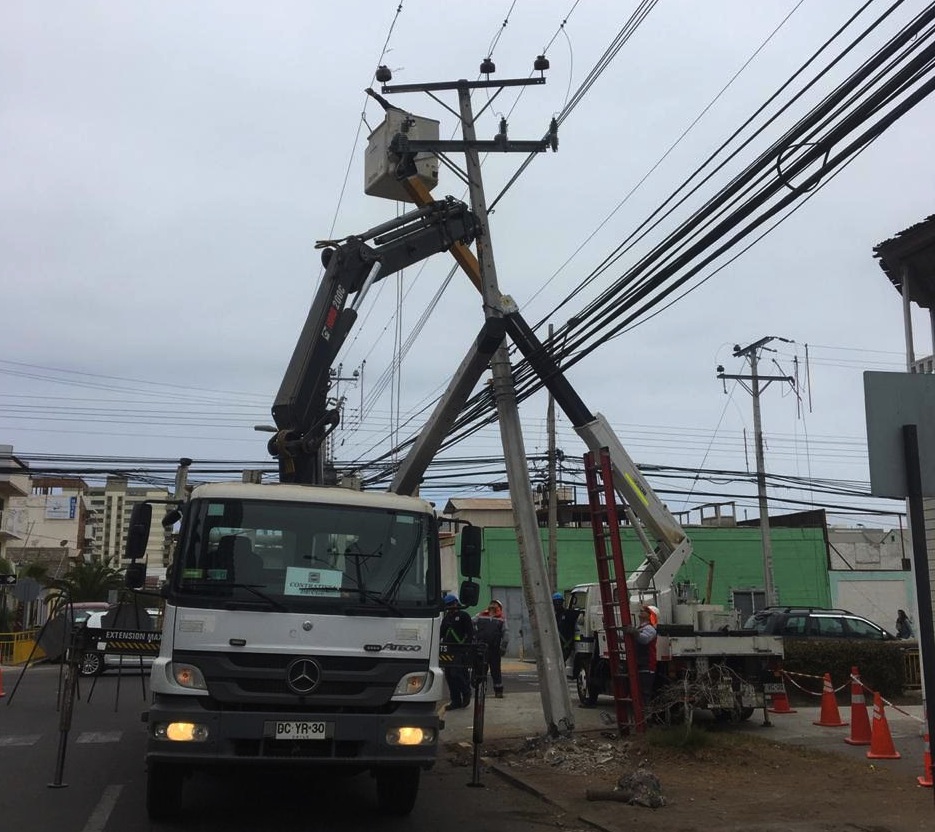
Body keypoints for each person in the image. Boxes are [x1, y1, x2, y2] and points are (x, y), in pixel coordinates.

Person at [441, 592, 474, 709]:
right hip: (448, 650)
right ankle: (455, 700)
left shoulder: (464, 616)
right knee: (449, 675)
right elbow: (441, 633)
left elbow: (470, 633)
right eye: (447, 605)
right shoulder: (446, 619)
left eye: (451, 604)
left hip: (460, 650)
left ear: (456, 603)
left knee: (457, 673)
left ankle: (466, 692)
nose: (450, 607)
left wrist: (467, 648)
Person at [473, 599, 509, 698]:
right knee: (480, 669)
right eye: (492, 603)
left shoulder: (501, 619)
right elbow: (470, 622)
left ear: (499, 608)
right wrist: (474, 636)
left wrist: (503, 647)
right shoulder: (480, 615)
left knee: (496, 670)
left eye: (495, 604)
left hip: (494, 649)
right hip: (481, 648)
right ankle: (479, 690)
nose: (492, 605)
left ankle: (498, 691)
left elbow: (506, 633)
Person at [625, 604, 658, 711]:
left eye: (644, 611)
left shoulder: (650, 629)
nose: (641, 612)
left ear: (650, 616)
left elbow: (644, 640)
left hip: (647, 665)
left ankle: (646, 717)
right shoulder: (641, 628)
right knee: (639, 693)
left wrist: (634, 632)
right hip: (640, 664)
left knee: (645, 694)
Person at [552, 592, 582, 663]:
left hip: (566, 646)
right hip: (559, 645)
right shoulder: (555, 616)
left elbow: (581, 614)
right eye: (556, 602)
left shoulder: (568, 613)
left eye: (558, 602)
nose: (557, 604)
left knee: (560, 663)